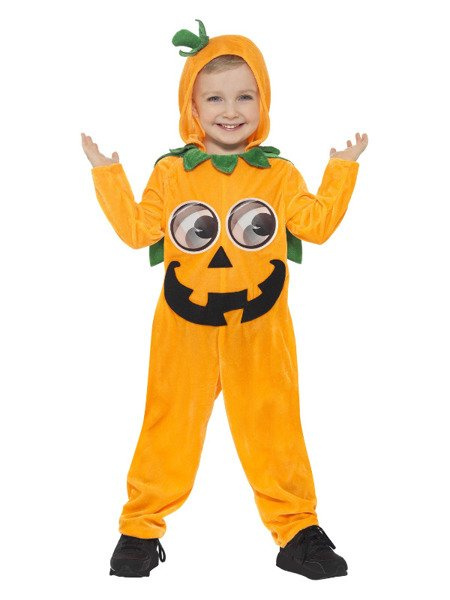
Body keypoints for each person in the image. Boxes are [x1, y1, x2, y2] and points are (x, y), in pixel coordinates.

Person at [81, 18, 368, 581]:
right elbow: (139, 231)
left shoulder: (278, 174)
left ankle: (297, 532)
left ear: (264, 101)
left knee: (274, 425)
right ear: (191, 106)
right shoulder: (172, 172)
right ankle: (140, 530)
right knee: (168, 423)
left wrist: (341, 169)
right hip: (182, 327)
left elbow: (315, 226)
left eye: (245, 96)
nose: (230, 110)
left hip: (261, 330)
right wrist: (109, 175)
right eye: (214, 97)